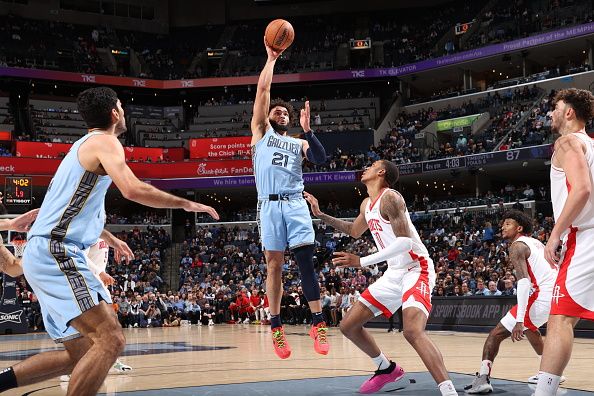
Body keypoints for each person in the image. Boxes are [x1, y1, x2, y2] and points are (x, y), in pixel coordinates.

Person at [0, 87, 219, 396]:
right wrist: (184, 204)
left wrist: (110, 237)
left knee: (79, 354)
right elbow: (132, 188)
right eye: (122, 107)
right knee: (111, 338)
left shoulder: (81, 147)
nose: (124, 112)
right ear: (115, 113)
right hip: (56, 251)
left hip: (41, 252)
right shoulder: (106, 141)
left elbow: (75, 212)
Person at [304, 160, 457, 396]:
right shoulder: (367, 203)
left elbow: (405, 242)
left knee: (412, 331)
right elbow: (354, 231)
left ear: (381, 172)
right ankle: (386, 368)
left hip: (417, 268)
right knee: (348, 325)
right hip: (394, 273)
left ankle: (448, 391)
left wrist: (362, 261)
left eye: (372, 165)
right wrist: (321, 214)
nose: (366, 167)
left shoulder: (391, 198)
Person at [251, 38, 328, 359]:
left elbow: (321, 159)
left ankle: (318, 322)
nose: (281, 113)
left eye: (286, 112)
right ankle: (276, 327)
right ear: (268, 116)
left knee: (306, 264)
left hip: (295, 203)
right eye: (277, 111)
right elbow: (263, 94)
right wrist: (271, 60)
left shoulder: (298, 143)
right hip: (268, 205)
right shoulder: (260, 132)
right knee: (274, 266)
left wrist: (309, 130)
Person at [535, 88, 594, 396]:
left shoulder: (567, 142)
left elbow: (582, 188)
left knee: (559, 319)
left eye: (555, 108)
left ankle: (543, 393)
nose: (551, 114)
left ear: (569, 112)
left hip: (585, 237)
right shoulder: (592, 145)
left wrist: (555, 233)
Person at [465, 210, 559, 394]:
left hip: (542, 296)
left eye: (508, 223)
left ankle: (483, 378)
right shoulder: (537, 243)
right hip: (556, 295)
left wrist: (519, 319)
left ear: (519, 228)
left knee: (496, 334)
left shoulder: (517, 245)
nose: (502, 226)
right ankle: (550, 372)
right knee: (531, 331)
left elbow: (524, 282)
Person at [60, 238, 132, 382]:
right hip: (86, 283)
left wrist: (115, 246)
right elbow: (79, 255)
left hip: (98, 285)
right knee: (87, 330)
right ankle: (73, 367)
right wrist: (100, 272)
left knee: (112, 327)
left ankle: (110, 361)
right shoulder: (86, 232)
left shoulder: (99, 232)